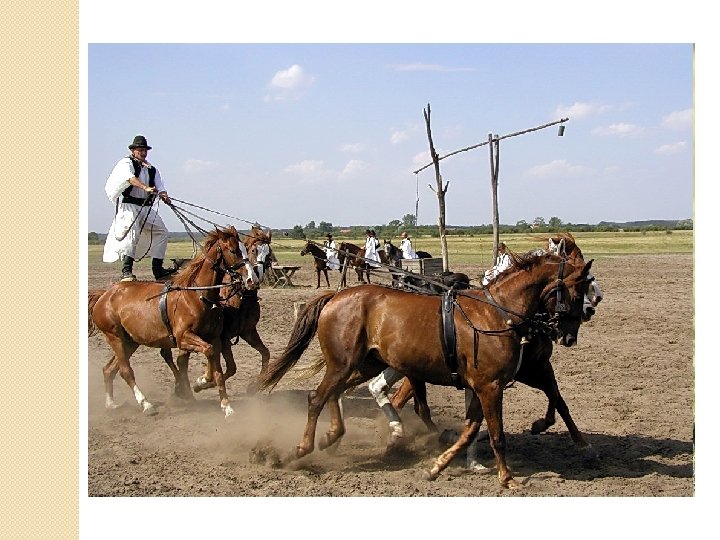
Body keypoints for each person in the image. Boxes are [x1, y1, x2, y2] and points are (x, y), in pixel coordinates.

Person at [102, 135, 176, 282]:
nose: (143, 153)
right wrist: (145, 187)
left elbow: (160, 186)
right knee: (132, 234)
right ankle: (126, 271)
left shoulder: (152, 169)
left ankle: (158, 269)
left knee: (162, 232)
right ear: (133, 150)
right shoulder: (126, 163)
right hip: (130, 206)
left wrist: (164, 196)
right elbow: (130, 178)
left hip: (146, 208)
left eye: (145, 150)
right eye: (140, 150)